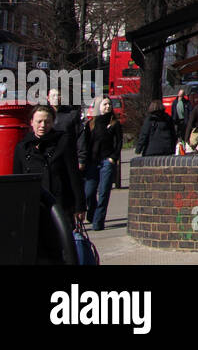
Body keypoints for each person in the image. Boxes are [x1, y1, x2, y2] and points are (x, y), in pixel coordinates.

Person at [13, 104, 86, 261]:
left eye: (47, 121)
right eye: (39, 121)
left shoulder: (63, 142)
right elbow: (17, 181)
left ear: (53, 122)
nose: (42, 126)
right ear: (31, 122)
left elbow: (73, 175)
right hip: (33, 209)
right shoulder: (22, 148)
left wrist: (80, 206)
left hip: (60, 206)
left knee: (63, 251)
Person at [79, 97, 122, 230]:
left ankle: (98, 222)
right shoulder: (91, 124)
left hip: (107, 162)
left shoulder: (115, 123)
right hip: (92, 163)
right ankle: (92, 213)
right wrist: (83, 160)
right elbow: (85, 144)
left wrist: (113, 158)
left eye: (109, 104)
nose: (108, 107)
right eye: (105, 104)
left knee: (104, 192)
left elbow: (119, 143)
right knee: (89, 193)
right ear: (99, 106)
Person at [47, 88, 86, 178]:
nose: (56, 98)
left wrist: (81, 158)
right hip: (50, 158)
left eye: (58, 95)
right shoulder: (44, 114)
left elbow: (80, 136)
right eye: (53, 95)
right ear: (48, 98)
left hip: (68, 157)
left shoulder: (72, 114)